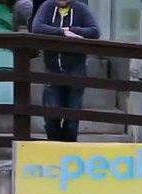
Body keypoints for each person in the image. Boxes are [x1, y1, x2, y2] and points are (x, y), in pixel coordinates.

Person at [31, 0, 102, 143]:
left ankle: (68, 152)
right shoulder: (47, 6)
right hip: (52, 69)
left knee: (72, 119)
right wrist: (63, 32)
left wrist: (72, 30)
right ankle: (54, 150)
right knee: (51, 116)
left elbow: (94, 31)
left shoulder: (81, 8)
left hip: (76, 69)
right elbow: (37, 27)